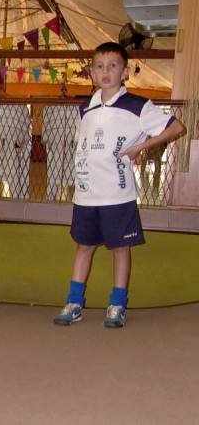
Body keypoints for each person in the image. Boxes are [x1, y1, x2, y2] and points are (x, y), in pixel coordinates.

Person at [53, 42, 186, 328]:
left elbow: (176, 127)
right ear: (92, 72)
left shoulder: (137, 105)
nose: (106, 72)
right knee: (84, 247)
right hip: (86, 196)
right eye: (100, 66)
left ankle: (117, 304)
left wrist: (143, 146)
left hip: (117, 196)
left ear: (124, 72)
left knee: (120, 249)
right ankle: (74, 302)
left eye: (113, 66)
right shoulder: (85, 108)